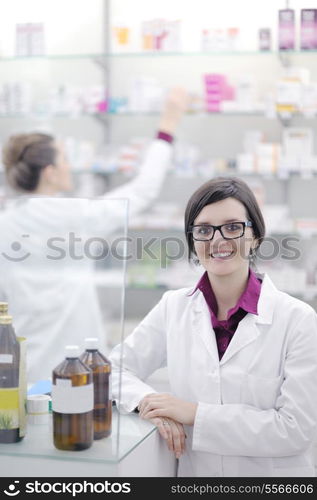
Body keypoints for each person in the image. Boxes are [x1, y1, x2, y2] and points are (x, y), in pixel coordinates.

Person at [110, 176, 317, 477]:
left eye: (233, 227)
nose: (218, 240)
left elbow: (295, 431)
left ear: (255, 236)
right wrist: (149, 404)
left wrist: (194, 414)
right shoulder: (174, 307)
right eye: (204, 230)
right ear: (193, 240)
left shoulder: (298, 320)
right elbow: (114, 370)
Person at [0, 87, 189, 383]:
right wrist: (167, 126)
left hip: (26, 365)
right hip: (77, 366)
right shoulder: (74, 217)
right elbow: (143, 190)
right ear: (49, 171)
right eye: (64, 159)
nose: (69, 166)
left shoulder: (5, 224)